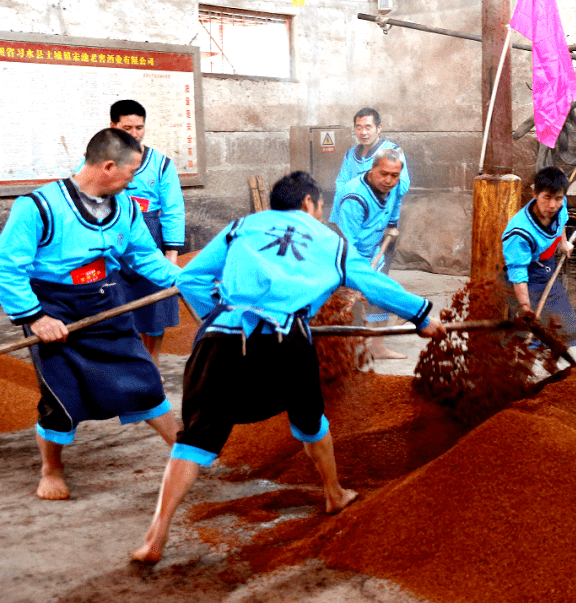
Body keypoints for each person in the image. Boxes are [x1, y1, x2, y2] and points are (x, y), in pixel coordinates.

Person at [131, 171, 445, 565]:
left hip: (222, 337)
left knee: (193, 439)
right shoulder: (331, 241)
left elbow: (190, 277)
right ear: (310, 205)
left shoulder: (239, 227)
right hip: (286, 340)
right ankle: (334, 494)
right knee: (310, 421)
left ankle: (156, 535)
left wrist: (214, 314)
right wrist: (421, 315)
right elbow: (372, 284)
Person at [0, 128, 182, 500]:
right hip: (53, 308)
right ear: (108, 166)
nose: (134, 180)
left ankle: (182, 447)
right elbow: (8, 268)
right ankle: (51, 468)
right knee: (61, 397)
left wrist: (190, 280)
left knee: (142, 375)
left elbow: (145, 257)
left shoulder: (127, 207)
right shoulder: (38, 207)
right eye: (131, 173)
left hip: (104, 300)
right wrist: (36, 319)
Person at [110, 99, 185, 365]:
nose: (134, 133)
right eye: (127, 127)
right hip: (113, 242)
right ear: (113, 126)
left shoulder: (161, 164)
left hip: (151, 239)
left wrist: (171, 255)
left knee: (155, 309)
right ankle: (126, 366)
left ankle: (151, 365)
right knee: (113, 307)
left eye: (139, 127)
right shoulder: (99, 161)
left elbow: (173, 210)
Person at [334, 149, 408, 359]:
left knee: (377, 301)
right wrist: (362, 272)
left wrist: (392, 224)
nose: (388, 180)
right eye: (383, 173)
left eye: (394, 175)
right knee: (345, 304)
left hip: (376, 248)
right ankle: (337, 353)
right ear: (372, 168)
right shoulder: (354, 197)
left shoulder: (393, 186)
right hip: (349, 255)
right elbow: (347, 243)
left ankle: (377, 347)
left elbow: (396, 203)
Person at [501, 166, 576, 349]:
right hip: (526, 277)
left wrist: (563, 243)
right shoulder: (518, 233)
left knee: (569, 330)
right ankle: (518, 371)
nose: (553, 205)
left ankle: (560, 373)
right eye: (547, 197)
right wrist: (527, 311)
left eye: (558, 198)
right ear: (535, 193)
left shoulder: (560, 206)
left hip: (548, 268)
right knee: (531, 337)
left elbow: (562, 219)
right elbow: (518, 276)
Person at [329, 108, 410, 272]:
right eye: (358, 127)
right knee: (346, 266)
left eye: (368, 127)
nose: (363, 132)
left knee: (377, 275)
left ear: (379, 128)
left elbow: (402, 185)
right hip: (352, 216)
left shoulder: (392, 152)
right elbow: (341, 184)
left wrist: (381, 178)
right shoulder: (351, 154)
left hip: (379, 223)